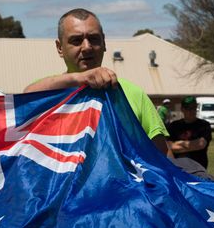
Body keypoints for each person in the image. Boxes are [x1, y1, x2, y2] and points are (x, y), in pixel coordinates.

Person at [24, 8, 172, 157]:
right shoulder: (48, 92)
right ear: (59, 48)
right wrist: (80, 78)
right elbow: (25, 97)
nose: (87, 47)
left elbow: (163, 157)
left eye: (94, 39)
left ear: (104, 43)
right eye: (76, 40)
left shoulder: (132, 94)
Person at [167, 96, 212, 169]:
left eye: (194, 108)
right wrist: (191, 145)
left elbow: (200, 144)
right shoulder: (174, 126)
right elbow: (168, 146)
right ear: (182, 109)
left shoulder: (204, 125)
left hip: (198, 168)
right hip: (178, 168)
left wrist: (179, 144)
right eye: (188, 108)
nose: (192, 111)